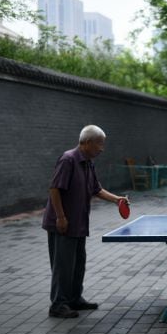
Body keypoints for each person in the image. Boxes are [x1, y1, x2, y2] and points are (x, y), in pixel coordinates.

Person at [42, 125, 129, 318]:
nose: (102, 148)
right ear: (87, 142)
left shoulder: (88, 163)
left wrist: (117, 200)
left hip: (79, 222)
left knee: (78, 263)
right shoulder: (68, 160)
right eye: (99, 144)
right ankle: (58, 304)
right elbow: (54, 189)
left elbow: (96, 189)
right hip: (62, 223)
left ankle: (74, 298)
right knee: (63, 265)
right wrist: (61, 217)